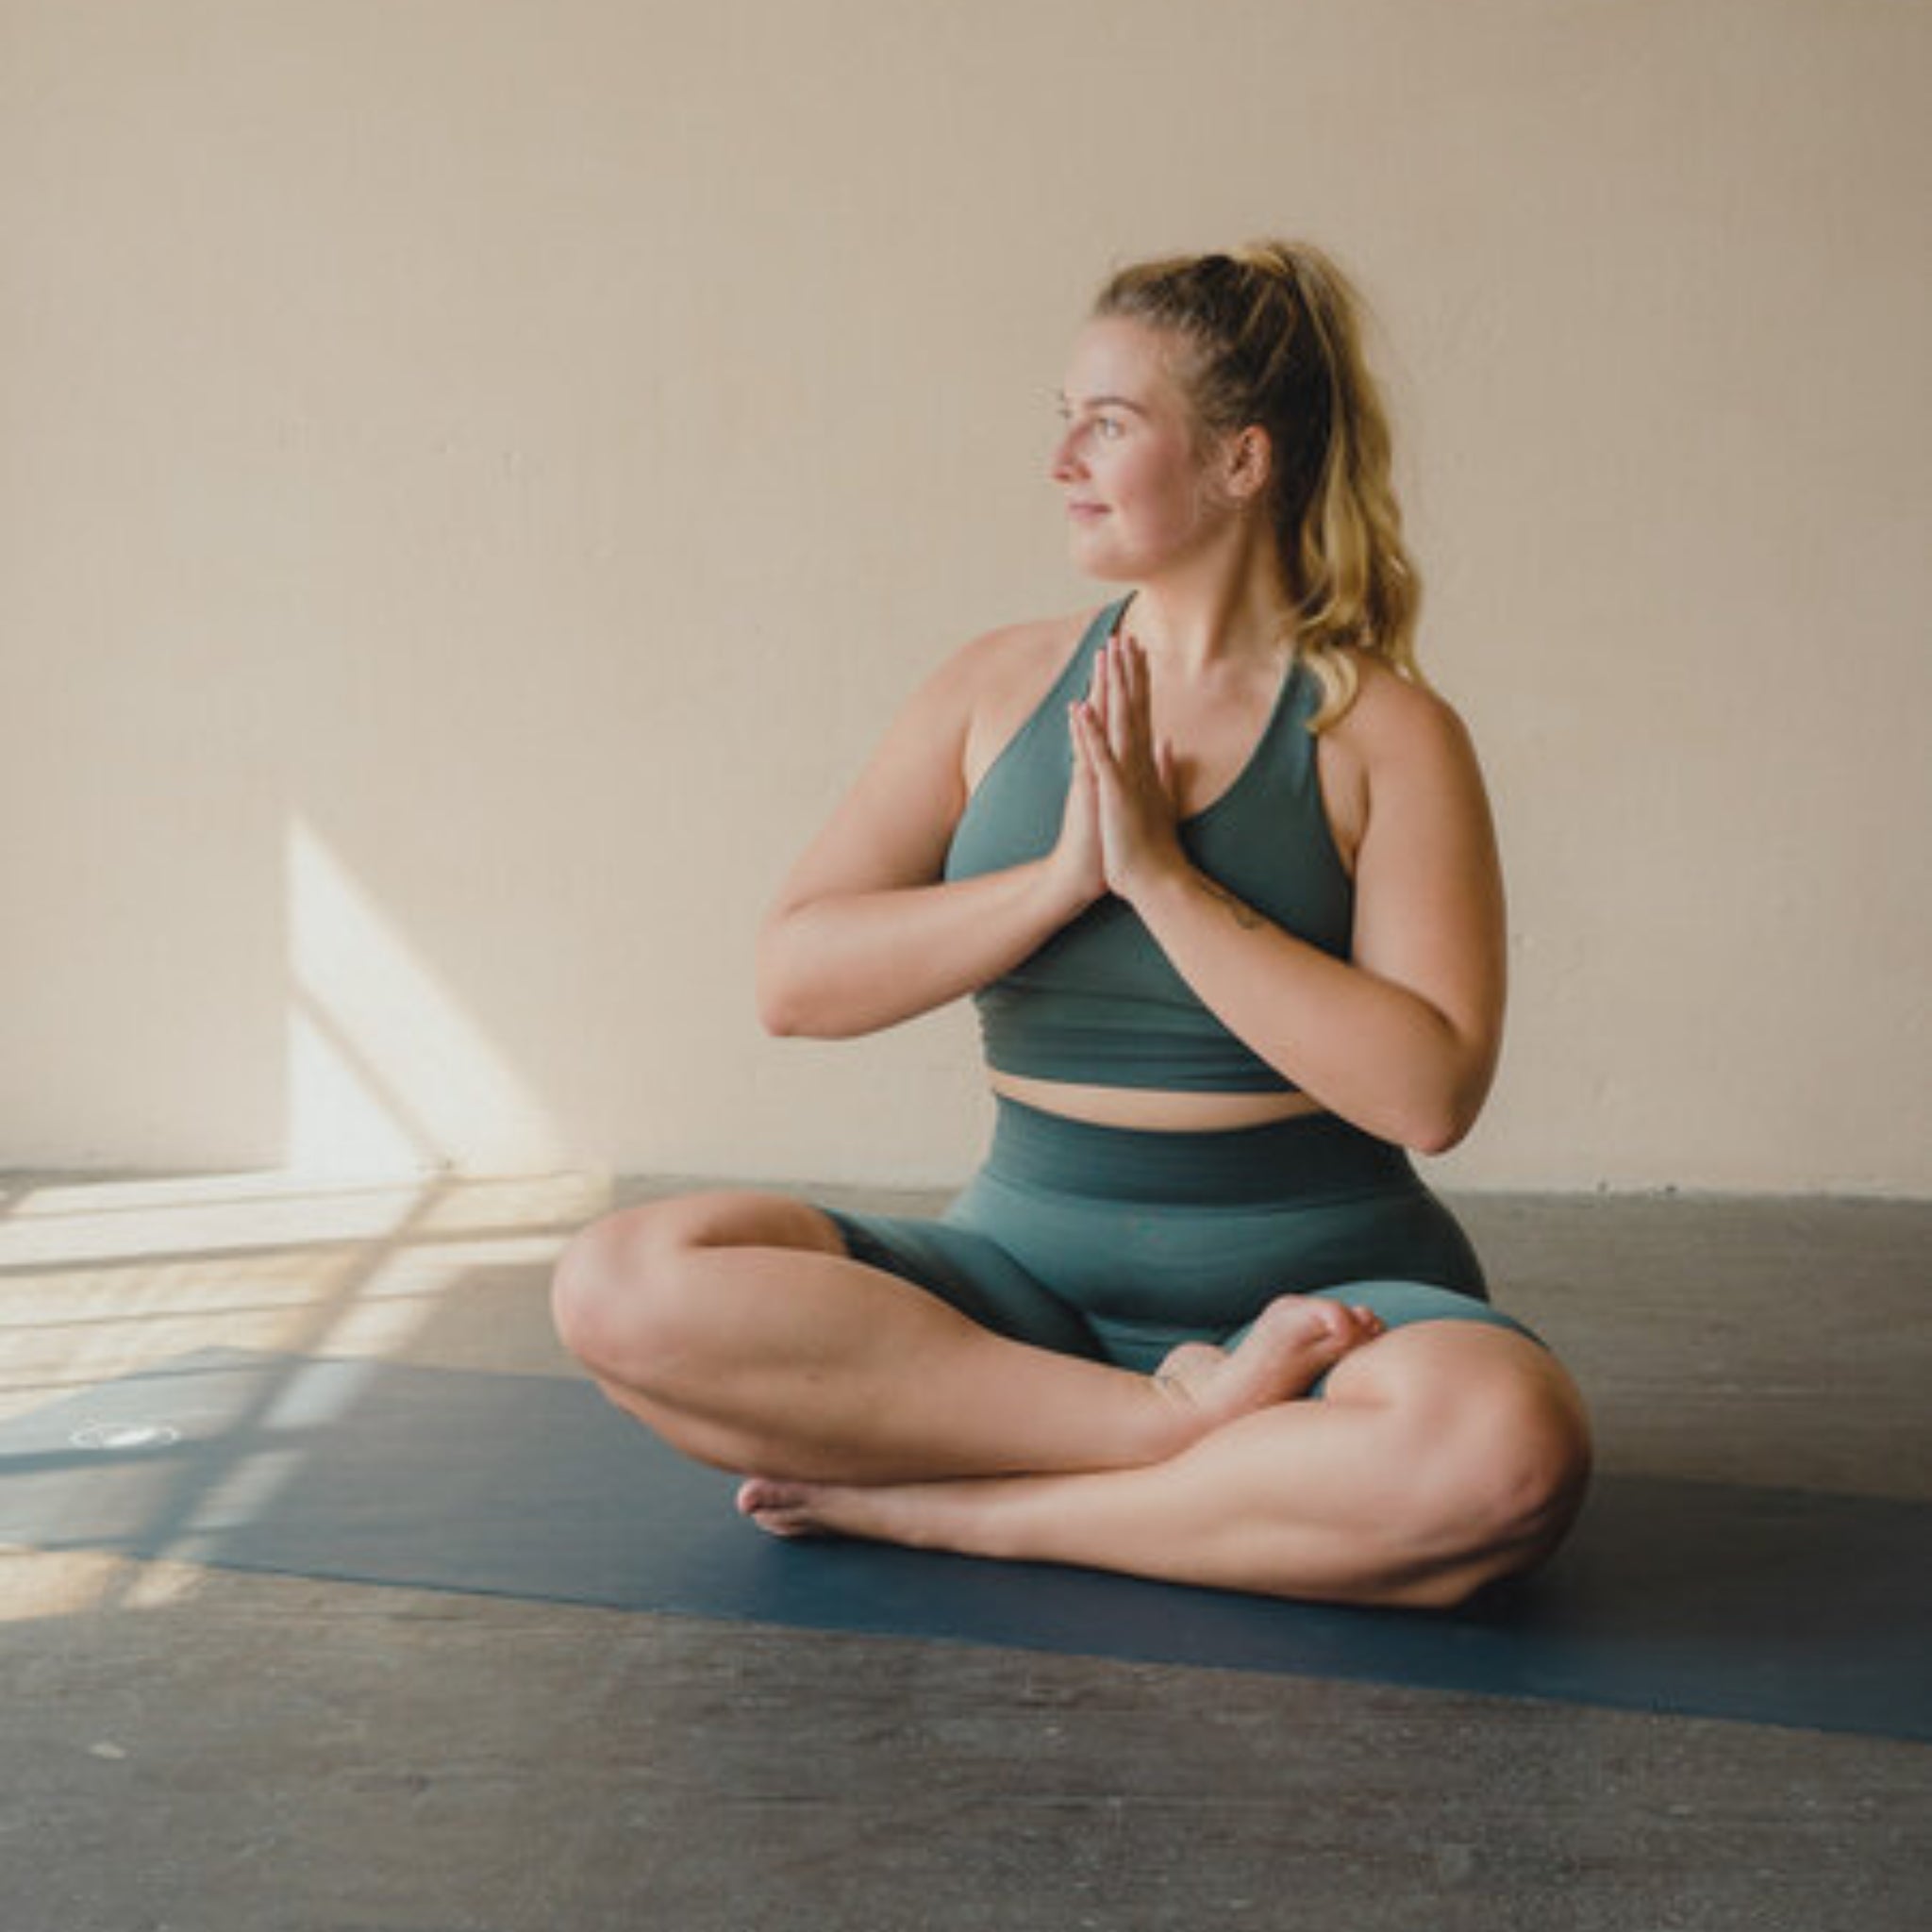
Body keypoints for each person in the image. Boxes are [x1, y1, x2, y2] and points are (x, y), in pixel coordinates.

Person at [552, 241, 1592, 1609]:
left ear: (1241, 462)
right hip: (1015, 1300)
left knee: (1506, 1456)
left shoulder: (1382, 733)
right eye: (1066, 421)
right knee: (620, 1284)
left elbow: (1431, 1090)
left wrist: (1167, 881)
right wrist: (1059, 880)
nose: (1062, 462)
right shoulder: (997, 686)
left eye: (1108, 423)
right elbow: (793, 979)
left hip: (1327, 1302)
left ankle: (976, 1515)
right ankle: (1170, 1438)